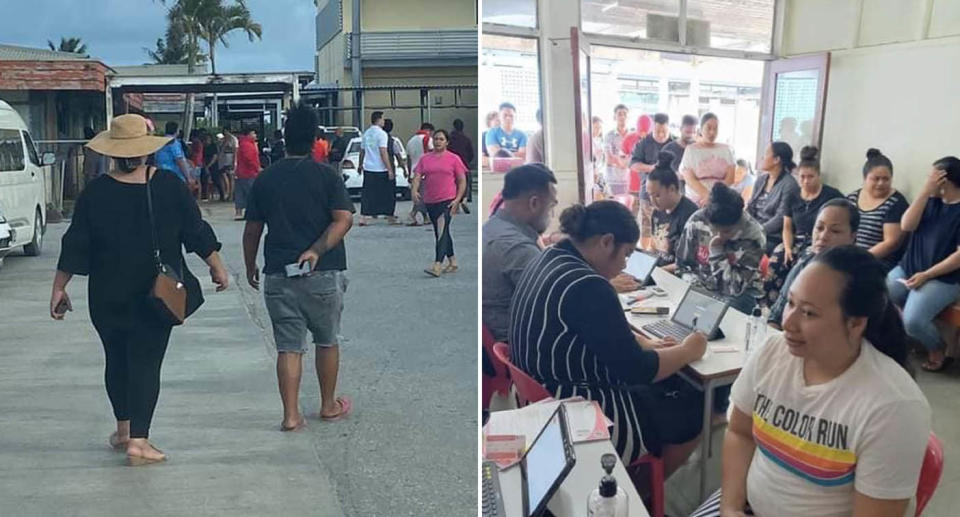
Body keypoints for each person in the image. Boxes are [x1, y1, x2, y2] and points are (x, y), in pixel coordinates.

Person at [692, 245, 930, 517]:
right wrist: (731, 507)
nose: (788, 323)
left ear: (855, 324)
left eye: (808, 313)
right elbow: (740, 432)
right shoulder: (773, 352)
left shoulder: (893, 406)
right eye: (791, 303)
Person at [51, 114, 229, 465]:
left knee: (116, 359)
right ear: (147, 151)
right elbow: (196, 231)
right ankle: (139, 441)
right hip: (154, 294)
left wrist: (59, 288)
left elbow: (75, 245)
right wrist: (217, 268)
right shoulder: (167, 185)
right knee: (146, 362)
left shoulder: (95, 192)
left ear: (113, 152)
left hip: (106, 295)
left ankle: (122, 430)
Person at [509, 200, 707, 471]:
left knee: (666, 386)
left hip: (540, 393)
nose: (625, 265)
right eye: (625, 254)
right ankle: (644, 495)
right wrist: (688, 351)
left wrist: (644, 341)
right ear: (606, 242)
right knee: (691, 414)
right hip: (577, 409)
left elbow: (598, 331)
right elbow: (638, 370)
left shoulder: (549, 258)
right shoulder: (589, 286)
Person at [242, 103, 355, 431]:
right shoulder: (327, 176)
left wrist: (251, 265)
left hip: (279, 272)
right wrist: (316, 250)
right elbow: (343, 219)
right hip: (323, 272)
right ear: (314, 140)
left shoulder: (265, 179)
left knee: (289, 347)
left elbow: (252, 230)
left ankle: (291, 415)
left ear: (284, 139)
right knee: (326, 339)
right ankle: (328, 405)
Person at [888, 156, 960, 372]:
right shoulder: (929, 201)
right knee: (883, 292)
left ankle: (938, 348)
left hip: (941, 277)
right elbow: (906, 225)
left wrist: (926, 275)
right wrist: (924, 192)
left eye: (931, 177)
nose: (927, 180)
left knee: (913, 320)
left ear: (943, 181)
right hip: (908, 268)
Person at [482, 164, 557, 342]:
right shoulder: (517, 248)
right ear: (534, 203)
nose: (551, 214)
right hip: (519, 346)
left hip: (496, 343)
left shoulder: (492, 227)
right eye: (551, 205)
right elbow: (561, 303)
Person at [768, 198, 859, 328]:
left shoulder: (856, 278)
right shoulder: (807, 261)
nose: (823, 236)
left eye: (835, 231)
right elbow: (778, 313)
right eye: (819, 228)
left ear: (852, 236)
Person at [676, 182, 766, 314]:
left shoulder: (753, 235)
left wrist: (716, 249)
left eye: (726, 231)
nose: (718, 235)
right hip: (701, 288)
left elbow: (733, 288)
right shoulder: (697, 220)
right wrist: (695, 290)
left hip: (738, 295)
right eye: (714, 229)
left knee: (711, 319)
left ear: (738, 221)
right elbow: (683, 265)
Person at [411, 129, 467, 278]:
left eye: (441, 139)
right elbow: (417, 176)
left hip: (447, 199)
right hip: (430, 200)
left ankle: (437, 265)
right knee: (441, 231)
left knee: (441, 230)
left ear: (447, 142)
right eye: (436, 139)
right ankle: (453, 261)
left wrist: (458, 199)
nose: (438, 141)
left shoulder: (454, 159)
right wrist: (414, 190)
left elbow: (462, 180)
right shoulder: (425, 159)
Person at [846, 148, 909, 271]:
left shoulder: (896, 203)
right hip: (849, 258)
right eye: (876, 178)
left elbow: (891, 244)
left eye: (886, 179)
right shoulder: (852, 198)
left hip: (878, 264)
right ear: (865, 179)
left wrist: (859, 260)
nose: (881, 183)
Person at [780, 146, 843, 264]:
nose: (806, 181)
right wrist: (787, 248)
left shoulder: (831, 195)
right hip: (795, 242)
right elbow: (787, 227)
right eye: (802, 177)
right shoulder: (792, 195)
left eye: (810, 177)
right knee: (776, 261)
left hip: (820, 243)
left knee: (802, 265)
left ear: (818, 176)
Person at [647, 151, 698, 272]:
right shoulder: (657, 212)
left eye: (657, 195)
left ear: (672, 189)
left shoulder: (691, 216)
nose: (653, 201)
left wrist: (655, 273)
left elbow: (687, 262)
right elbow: (653, 247)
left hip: (678, 276)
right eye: (650, 195)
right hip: (657, 272)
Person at [748, 141, 800, 255]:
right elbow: (750, 207)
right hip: (754, 230)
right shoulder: (761, 180)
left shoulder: (789, 185)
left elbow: (780, 219)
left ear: (777, 160)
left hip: (772, 236)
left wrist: (756, 231)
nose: (763, 157)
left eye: (766, 154)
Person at [630, 112, 673, 241]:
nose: (660, 135)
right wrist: (651, 168)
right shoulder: (643, 143)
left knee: (666, 233)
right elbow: (633, 164)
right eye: (657, 131)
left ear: (669, 128)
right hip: (648, 195)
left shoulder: (675, 144)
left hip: (670, 197)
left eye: (664, 132)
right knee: (647, 231)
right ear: (652, 128)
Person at [679, 112, 736, 206]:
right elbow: (689, 178)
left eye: (715, 128)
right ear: (701, 129)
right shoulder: (691, 150)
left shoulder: (727, 150)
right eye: (708, 128)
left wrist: (714, 197)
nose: (712, 132)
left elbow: (730, 179)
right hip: (696, 201)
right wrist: (708, 196)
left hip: (720, 200)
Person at [358, 111, 398, 226]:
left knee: (367, 193)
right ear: (379, 120)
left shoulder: (366, 133)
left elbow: (362, 151)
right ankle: (390, 216)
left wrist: (360, 165)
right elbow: (383, 152)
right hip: (380, 168)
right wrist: (389, 169)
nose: (384, 121)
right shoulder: (382, 134)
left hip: (369, 167)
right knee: (387, 193)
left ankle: (364, 217)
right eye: (383, 119)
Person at [405, 123, 434, 226]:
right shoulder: (428, 139)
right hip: (424, 171)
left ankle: (425, 218)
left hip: (413, 171)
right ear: (429, 130)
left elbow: (408, 159)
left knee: (418, 195)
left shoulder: (411, 141)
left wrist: (408, 173)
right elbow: (432, 154)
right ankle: (412, 214)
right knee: (423, 196)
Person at [154, 121, 194, 187]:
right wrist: (188, 177)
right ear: (176, 131)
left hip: (160, 173)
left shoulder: (160, 142)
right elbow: (179, 160)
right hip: (174, 175)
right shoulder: (174, 143)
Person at [234, 127, 262, 221]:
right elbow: (249, 159)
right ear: (249, 134)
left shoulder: (244, 144)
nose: (255, 135)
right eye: (254, 133)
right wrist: (257, 168)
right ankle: (250, 211)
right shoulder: (247, 145)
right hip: (249, 172)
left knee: (240, 192)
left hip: (242, 172)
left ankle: (239, 212)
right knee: (250, 193)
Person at [603, 104, 631, 196]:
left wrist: (620, 160)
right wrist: (625, 162)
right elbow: (609, 159)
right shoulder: (609, 136)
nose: (622, 116)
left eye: (625, 114)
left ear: (628, 117)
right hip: (613, 179)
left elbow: (636, 157)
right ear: (614, 117)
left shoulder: (633, 135)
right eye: (619, 114)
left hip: (629, 179)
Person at [448, 118, 475, 204]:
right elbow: (471, 153)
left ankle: (454, 198)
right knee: (466, 181)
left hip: (451, 163)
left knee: (453, 182)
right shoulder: (466, 139)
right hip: (464, 163)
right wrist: (467, 161)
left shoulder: (449, 139)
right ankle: (465, 198)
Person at [218, 128, 238, 202]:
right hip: (222, 159)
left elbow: (235, 151)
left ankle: (230, 194)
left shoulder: (233, 139)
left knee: (230, 177)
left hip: (229, 158)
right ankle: (225, 193)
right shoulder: (223, 139)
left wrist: (234, 161)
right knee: (222, 176)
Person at [202, 132, 223, 201]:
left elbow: (215, 156)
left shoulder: (213, 146)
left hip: (213, 164)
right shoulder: (204, 147)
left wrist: (210, 165)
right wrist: (205, 165)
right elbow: (203, 157)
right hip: (206, 164)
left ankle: (221, 194)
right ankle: (205, 195)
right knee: (205, 179)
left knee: (216, 179)